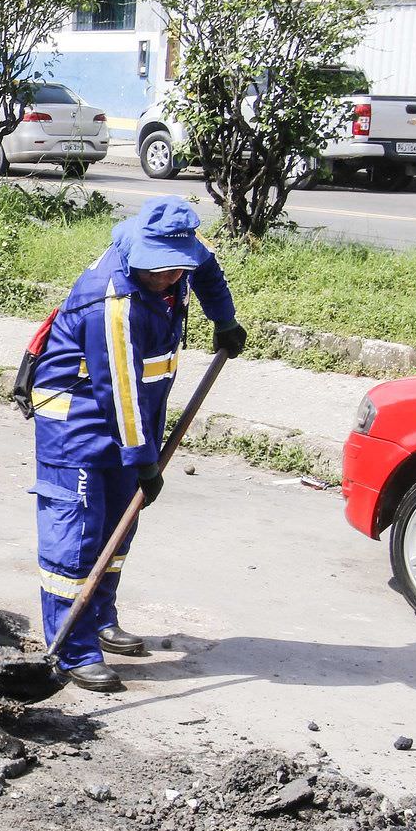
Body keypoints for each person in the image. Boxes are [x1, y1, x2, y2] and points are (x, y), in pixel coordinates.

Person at [25, 196, 245, 692]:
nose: (167, 278)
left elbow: (207, 270)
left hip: (133, 421)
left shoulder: (182, 251)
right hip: (77, 423)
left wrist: (223, 319)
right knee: (77, 536)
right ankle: (72, 648)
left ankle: (99, 620)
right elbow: (118, 391)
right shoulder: (114, 302)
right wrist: (145, 461)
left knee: (117, 530)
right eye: (158, 272)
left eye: (174, 272)